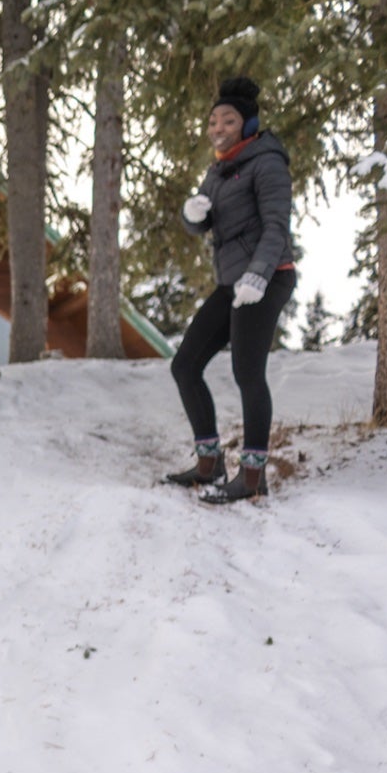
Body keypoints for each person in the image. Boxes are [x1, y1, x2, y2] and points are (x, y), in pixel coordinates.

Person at [166, 75, 296, 503]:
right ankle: (210, 462)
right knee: (185, 365)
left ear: (248, 123)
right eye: (213, 122)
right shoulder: (219, 169)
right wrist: (192, 214)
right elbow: (201, 222)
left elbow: (276, 226)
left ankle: (254, 474)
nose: (217, 128)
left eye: (227, 120)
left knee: (247, 371)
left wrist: (259, 275)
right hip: (231, 281)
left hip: (268, 275)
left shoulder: (267, 161)